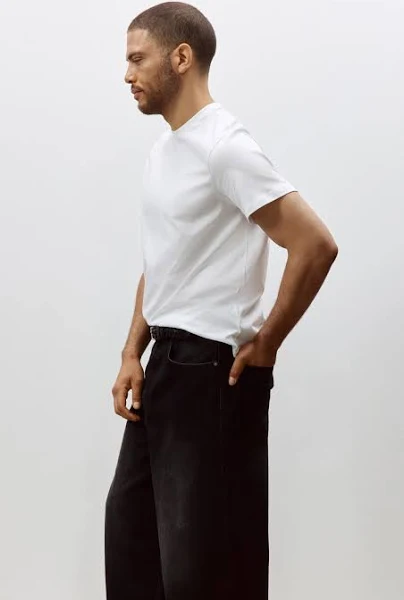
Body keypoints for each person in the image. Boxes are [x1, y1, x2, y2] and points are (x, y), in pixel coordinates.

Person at [104, 2, 338, 599]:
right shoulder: (165, 151)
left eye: (137, 59)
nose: (127, 75)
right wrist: (132, 352)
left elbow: (314, 245)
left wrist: (267, 342)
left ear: (181, 58)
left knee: (203, 570)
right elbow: (162, 264)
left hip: (210, 370)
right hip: (164, 365)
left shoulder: (225, 146)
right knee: (132, 547)